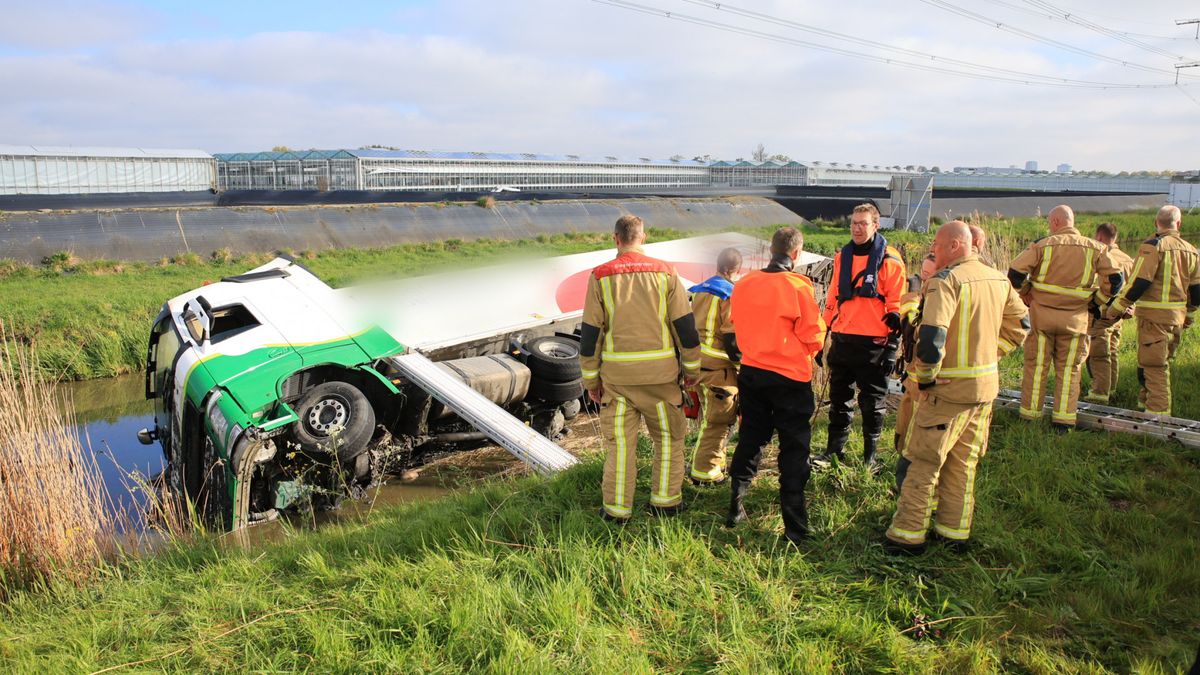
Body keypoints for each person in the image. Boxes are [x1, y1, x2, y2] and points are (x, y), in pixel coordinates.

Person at [885, 221, 1029, 554]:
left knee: (923, 462)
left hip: (947, 393)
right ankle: (953, 533)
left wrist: (925, 378)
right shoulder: (997, 279)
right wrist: (990, 355)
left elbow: (933, 337)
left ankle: (907, 536)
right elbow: (1022, 325)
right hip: (984, 389)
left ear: (954, 245)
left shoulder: (945, 282)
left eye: (936, 245)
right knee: (963, 465)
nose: (933, 251)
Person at [580, 215, 702, 521]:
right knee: (668, 440)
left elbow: (591, 335)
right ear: (643, 237)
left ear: (616, 238)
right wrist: (691, 374)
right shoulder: (666, 272)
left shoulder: (600, 276)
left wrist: (591, 380)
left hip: (618, 381)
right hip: (660, 380)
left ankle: (616, 511)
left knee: (620, 446)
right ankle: (665, 504)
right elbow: (685, 329)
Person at [725, 227, 826, 545]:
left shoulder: (745, 284)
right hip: (790, 378)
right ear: (796, 254)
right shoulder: (798, 287)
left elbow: (735, 326)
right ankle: (795, 528)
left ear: (772, 251)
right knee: (794, 449)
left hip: (753, 372)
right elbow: (813, 334)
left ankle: (735, 509)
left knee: (751, 438)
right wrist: (812, 355)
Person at [1008, 205, 1123, 431]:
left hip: (1042, 318)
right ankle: (1063, 421)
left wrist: (1027, 292)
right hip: (1076, 320)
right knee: (1070, 370)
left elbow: (1014, 273)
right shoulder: (1096, 248)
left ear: (1056, 223)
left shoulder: (1043, 245)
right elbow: (1116, 279)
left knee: (1036, 366)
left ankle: (1030, 416)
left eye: (1050, 223)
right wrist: (1097, 301)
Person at [813, 203, 907, 471]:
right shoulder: (843, 256)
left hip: (874, 344)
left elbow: (896, 306)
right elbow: (832, 299)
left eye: (863, 223)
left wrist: (892, 348)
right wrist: (822, 337)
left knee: (872, 403)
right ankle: (834, 452)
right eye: (854, 223)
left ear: (876, 226)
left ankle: (870, 457)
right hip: (844, 340)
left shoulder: (890, 260)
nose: (856, 227)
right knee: (839, 401)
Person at [1105, 205, 1200, 416]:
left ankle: (1158, 416)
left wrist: (1116, 308)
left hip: (1154, 318)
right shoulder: (1191, 250)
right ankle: (1144, 402)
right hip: (1177, 319)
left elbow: (1139, 281)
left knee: (1154, 366)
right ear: (1179, 224)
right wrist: (1190, 315)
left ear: (1157, 223)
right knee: (1159, 361)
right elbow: (1196, 290)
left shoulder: (1153, 246)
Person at [687, 247, 743, 485]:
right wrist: (743, 364)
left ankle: (717, 464)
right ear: (735, 270)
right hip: (719, 369)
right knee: (718, 422)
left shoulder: (699, 291)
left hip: (697, 365)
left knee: (712, 419)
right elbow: (731, 338)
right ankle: (705, 473)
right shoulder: (729, 294)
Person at [1082, 222, 1135, 403]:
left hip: (1101, 314)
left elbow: (1098, 287)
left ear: (1099, 237)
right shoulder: (1128, 259)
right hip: (1120, 314)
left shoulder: (1102, 257)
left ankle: (1099, 394)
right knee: (1112, 352)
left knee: (1099, 355)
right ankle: (1111, 389)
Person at [893, 253, 938, 460]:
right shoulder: (927, 298)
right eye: (922, 273)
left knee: (915, 445)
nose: (922, 280)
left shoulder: (936, 303)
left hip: (925, 388)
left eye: (928, 275)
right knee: (904, 437)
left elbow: (912, 330)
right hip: (912, 385)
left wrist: (910, 298)